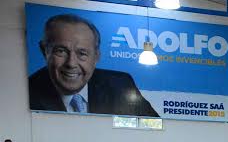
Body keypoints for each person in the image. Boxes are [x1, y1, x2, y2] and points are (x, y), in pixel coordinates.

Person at [28, 14, 158, 116]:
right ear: (44, 50)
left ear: (96, 57)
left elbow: (154, 125)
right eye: (61, 51)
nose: (71, 63)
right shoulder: (30, 91)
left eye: (82, 53)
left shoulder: (121, 84)